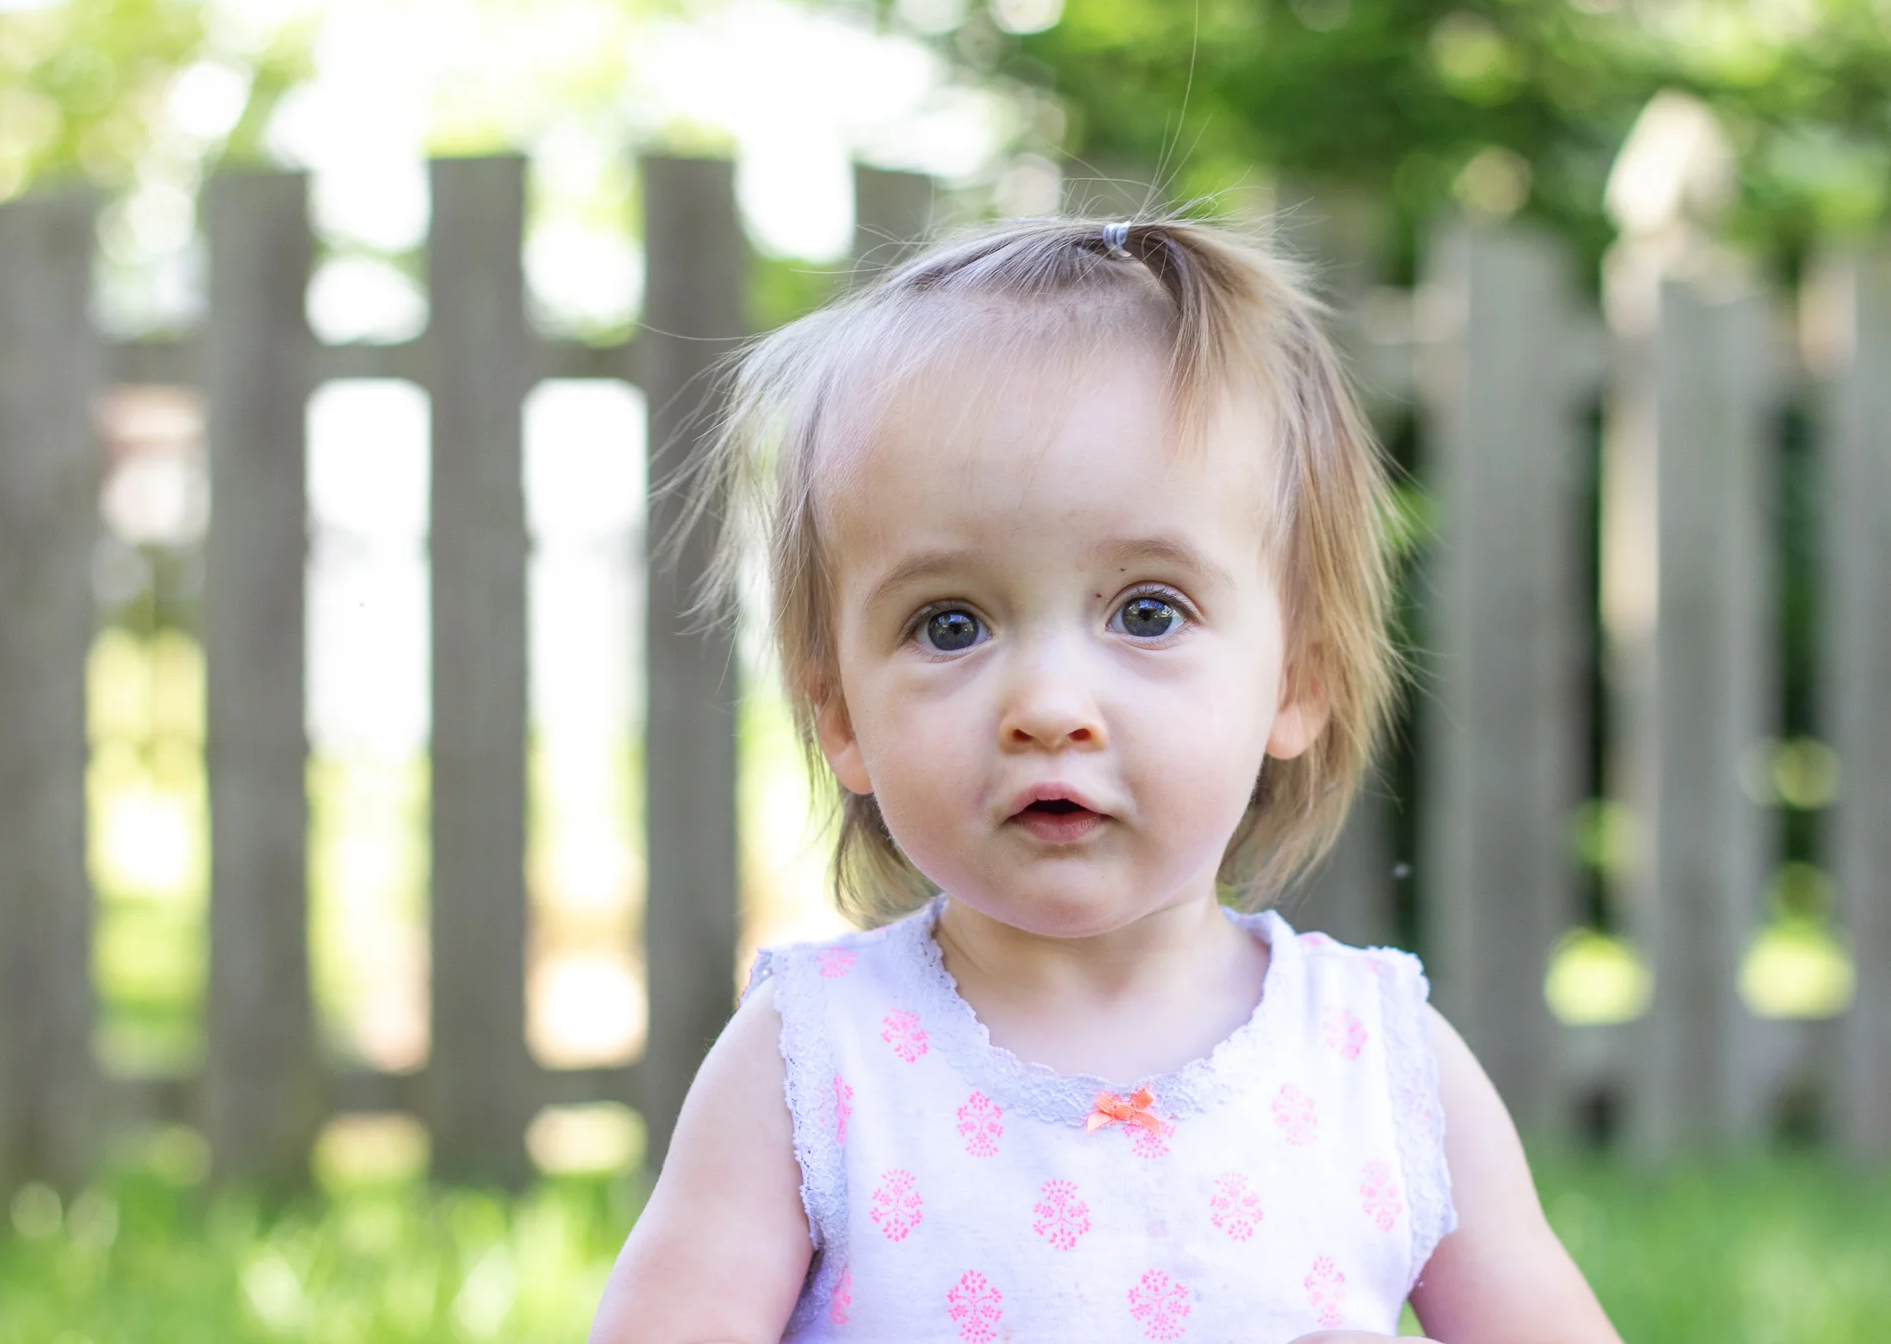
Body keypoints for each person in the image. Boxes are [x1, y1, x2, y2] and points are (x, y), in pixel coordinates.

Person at [588, 216, 1620, 1344]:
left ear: (1295, 680)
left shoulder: (1381, 1066)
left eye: (1147, 612)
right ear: (841, 713)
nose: (1047, 704)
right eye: (949, 624)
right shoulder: (813, 1068)